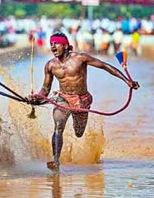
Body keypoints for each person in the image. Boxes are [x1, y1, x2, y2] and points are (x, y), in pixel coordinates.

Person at [28, 32, 140, 172]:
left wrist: (127, 81)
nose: (53, 47)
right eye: (51, 44)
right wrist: (36, 98)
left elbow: (105, 66)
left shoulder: (80, 58)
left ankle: (72, 151)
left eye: (56, 43)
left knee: (79, 132)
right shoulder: (50, 65)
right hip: (63, 99)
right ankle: (55, 161)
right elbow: (45, 89)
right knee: (58, 125)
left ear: (65, 45)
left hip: (82, 100)